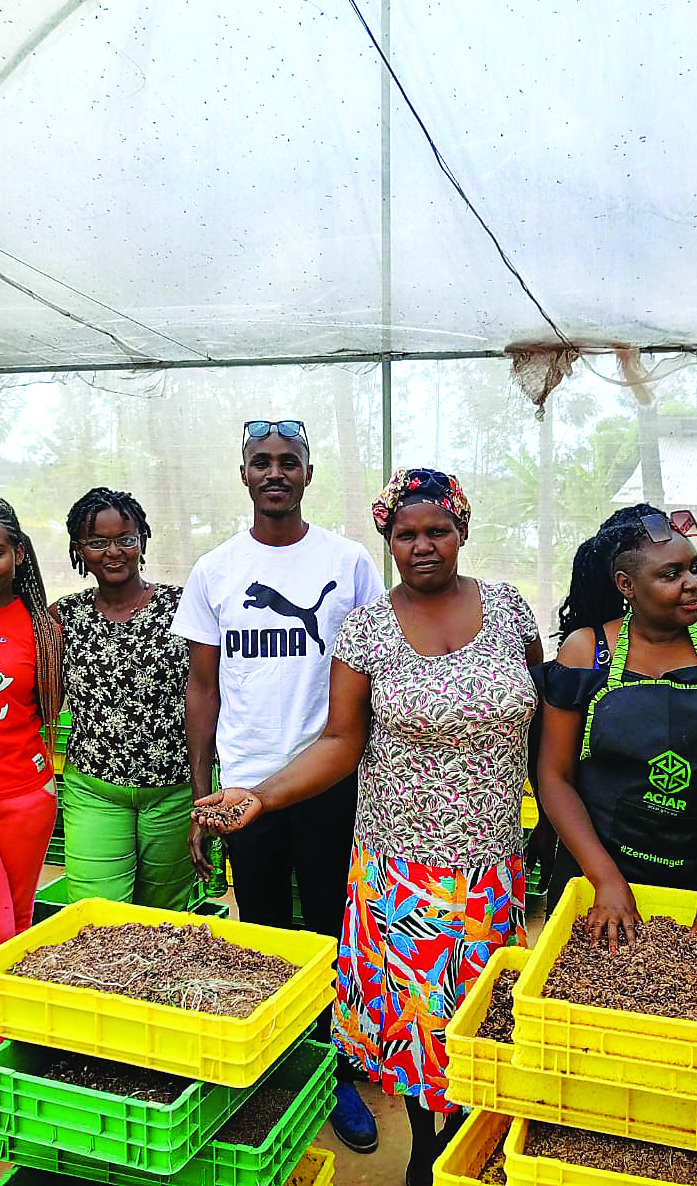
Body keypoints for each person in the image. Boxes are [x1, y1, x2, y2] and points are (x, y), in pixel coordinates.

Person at [198, 468, 541, 1186]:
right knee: (416, 1033)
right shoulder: (366, 629)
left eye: (436, 530)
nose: (422, 545)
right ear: (386, 540)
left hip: (490, 869)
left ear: (462, 531)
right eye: (405, 533)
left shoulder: (510, 611)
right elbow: (338, 742)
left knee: (483, 1020)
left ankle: (473, 1149)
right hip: (401, 875)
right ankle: (424, 1156)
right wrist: (263, 795)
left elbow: (543, 729)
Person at [171, 419, 384, 1155]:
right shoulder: (215, 570)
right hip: (244, 783)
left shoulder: (349, 562)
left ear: (307, 474)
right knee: (259, 930)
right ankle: (270, 1064)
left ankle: (332, 1070)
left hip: (330, 780)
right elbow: (203, 688)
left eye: (287, 461)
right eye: (260, 462)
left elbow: (374, 671)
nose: (274, 473)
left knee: (330, 925)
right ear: (242, 474)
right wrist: (202, 797)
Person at [534, 504, 697, 962]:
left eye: (695, 567)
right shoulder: (588, 652)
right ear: (627, 586)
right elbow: (554, 776)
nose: (693, 583)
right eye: (671, 574)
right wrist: (604, 878)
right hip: (597, 875)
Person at [53, 487, 193, 907]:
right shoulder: (63, 615)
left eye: (125, 540)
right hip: (96, 789)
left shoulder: (182, 606)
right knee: (95, 916)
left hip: (174, 789)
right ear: (79, 549)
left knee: (167, 920)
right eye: (97, 542)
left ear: (142, 542)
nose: (113, 552)